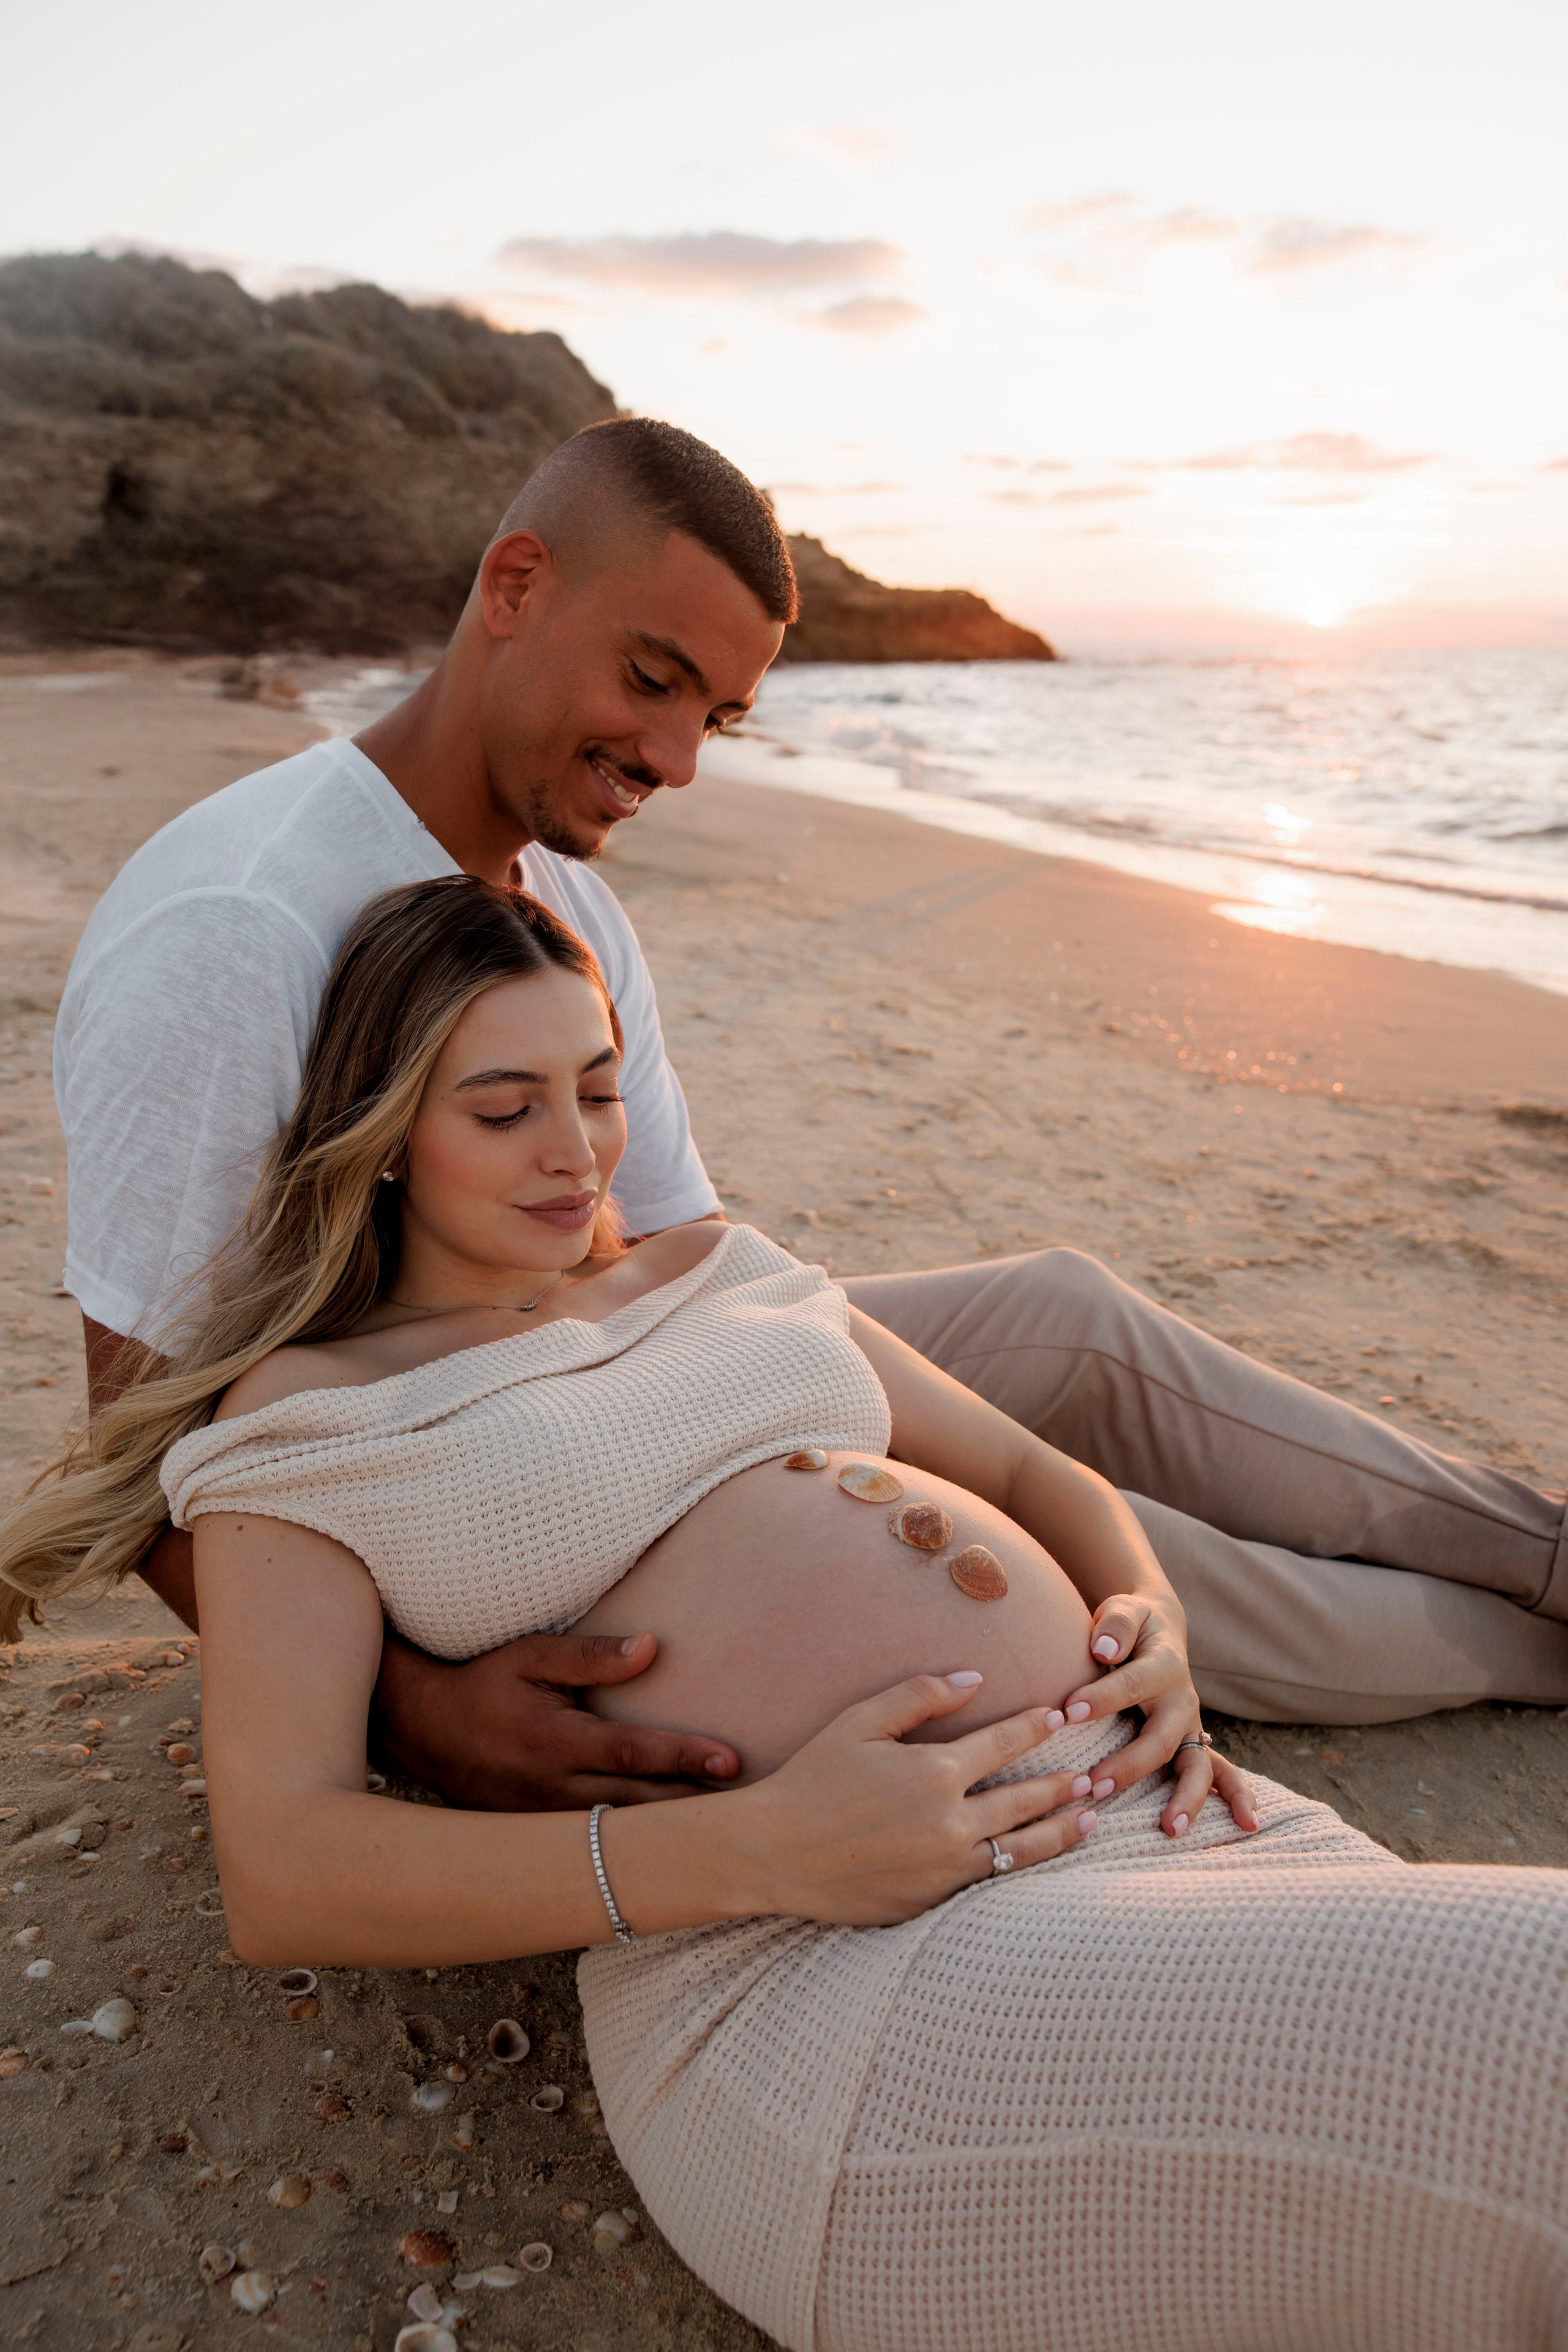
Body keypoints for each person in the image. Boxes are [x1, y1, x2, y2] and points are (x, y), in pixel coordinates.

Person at [9, 880, 1566, 2352]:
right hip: (823, 1977)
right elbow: (284, 1866)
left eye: (598, 1090)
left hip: (1158, 1817)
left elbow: (1028, 1463)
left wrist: (1148, 1612)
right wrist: (759, 1849)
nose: (575, 1152)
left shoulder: (711, 1268)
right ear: (388, 1132)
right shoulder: (320, 1414)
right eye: (503, 1107)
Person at [53, 418, 1568, 1820]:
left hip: (600, 1357)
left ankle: (1543, 1552)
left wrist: (791, 1372)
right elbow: (148, 1424)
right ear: (514, 585)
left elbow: (662, 1242)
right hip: (481, 1476)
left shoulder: (565, 903)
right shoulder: (236, 925)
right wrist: (407, 1706)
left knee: (1062, 1315)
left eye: (715, 713)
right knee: (1098, 1564)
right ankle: (1507, 1648)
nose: (675, 760)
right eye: (649, 681)